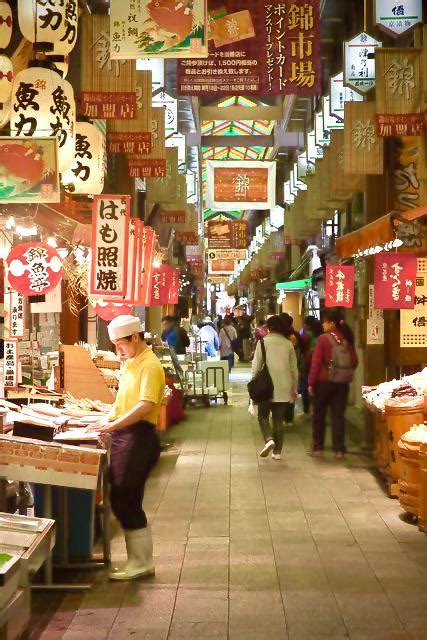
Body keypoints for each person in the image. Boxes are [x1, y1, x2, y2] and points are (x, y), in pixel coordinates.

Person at [92, 315, 165, 580]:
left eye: (119, 344)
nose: (117, 350)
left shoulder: (151, 366)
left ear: (135, 337)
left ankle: (141, 562)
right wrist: (107, 419)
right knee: (122, 496)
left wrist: (112, 426)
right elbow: (123, 400)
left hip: (139, 439)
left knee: (126, 498)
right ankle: (139, 560)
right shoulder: (133, 362)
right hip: (127, 436)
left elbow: (145, 404)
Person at [308, 310, 358, 459]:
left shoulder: (323, 339)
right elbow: (354, 361)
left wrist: (311, 382)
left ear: (331, 323)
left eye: (324, 321)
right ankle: (339, 450)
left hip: (324, 383)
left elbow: (316, 363)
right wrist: (343, 373)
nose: (323, 324)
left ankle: (318, 448)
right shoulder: (346, 338)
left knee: (319, 415)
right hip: (342, 384)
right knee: (338, 416)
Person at [252, 315, 298, 460]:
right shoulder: (288, 344)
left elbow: (256, 367)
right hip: (284, 386)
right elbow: (294, 370)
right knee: (278, 420)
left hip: (265, 386)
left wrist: (252, 385)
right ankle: (277, 452)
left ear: (269, 328)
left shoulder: (263, 343)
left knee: (263, 416)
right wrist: (294, 389)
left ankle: (268, 439)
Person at [299, 316, 323, 413]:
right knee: (317, 385)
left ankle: (306, 408)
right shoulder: (321, 334)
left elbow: (301, 350)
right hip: (320, 363)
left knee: (305, 385)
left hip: (307, 363)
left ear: (306, 324)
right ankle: (317, 405)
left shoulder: (305, 336)